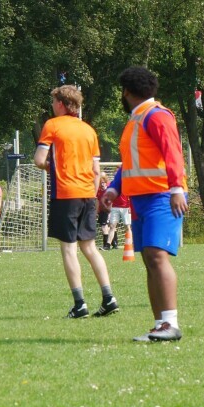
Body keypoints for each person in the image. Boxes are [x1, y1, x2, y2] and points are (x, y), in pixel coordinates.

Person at [103, 67, 188, 342]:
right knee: (149, 259)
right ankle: (160, 325)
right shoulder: (136, 119)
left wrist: (177, 189)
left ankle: (171, 324)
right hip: (140, 198)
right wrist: (114, 188)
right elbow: (131, 162)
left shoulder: (157, 115)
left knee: (156, 255)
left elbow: (173, 152)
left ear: (126, 91)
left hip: (162, 196)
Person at [34, 86, 117, 318]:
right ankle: (109, 298)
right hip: (87, 194)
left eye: (54, 102)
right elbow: (96, 170)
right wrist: (94, 196)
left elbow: (39, 160)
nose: (52, 105)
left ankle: (80, 304)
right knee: (90, 247)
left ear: (61, 104)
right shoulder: (89, 130)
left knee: (69, 248)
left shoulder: (52, 125)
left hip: (65, 194)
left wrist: (53, 167)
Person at [104, 184, 132, 250]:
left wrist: (130, 207)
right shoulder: (114, 184)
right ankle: (108, 245)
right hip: (115, 207)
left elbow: (131, 196)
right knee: (112, 226)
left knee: (127, 227)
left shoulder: (127, 184)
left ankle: (129, 244)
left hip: (125, 207)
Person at [96, 171, 112, 248]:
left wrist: (110, 212)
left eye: (103, 182)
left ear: (106, 182)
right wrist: (97, 210)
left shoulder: (108, 190)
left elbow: (111, 202)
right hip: (101, 211)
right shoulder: (99, 191)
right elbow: (97, 201)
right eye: (100, 183)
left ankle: (106, 244)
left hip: (107, 211)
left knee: (104, 227)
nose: (102, 184)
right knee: (106, 227)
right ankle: (113, 243)